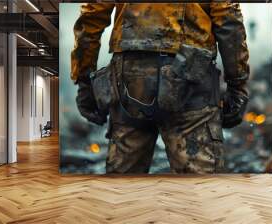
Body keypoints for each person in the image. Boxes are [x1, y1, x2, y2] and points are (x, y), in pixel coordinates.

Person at [71, 3, 250, 174]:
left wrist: (85, 81)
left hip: (131, 78)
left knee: (124, 175)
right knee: (199, 178)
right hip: (191, 74)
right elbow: (228, 17)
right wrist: (237, 84)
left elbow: (92, 16)